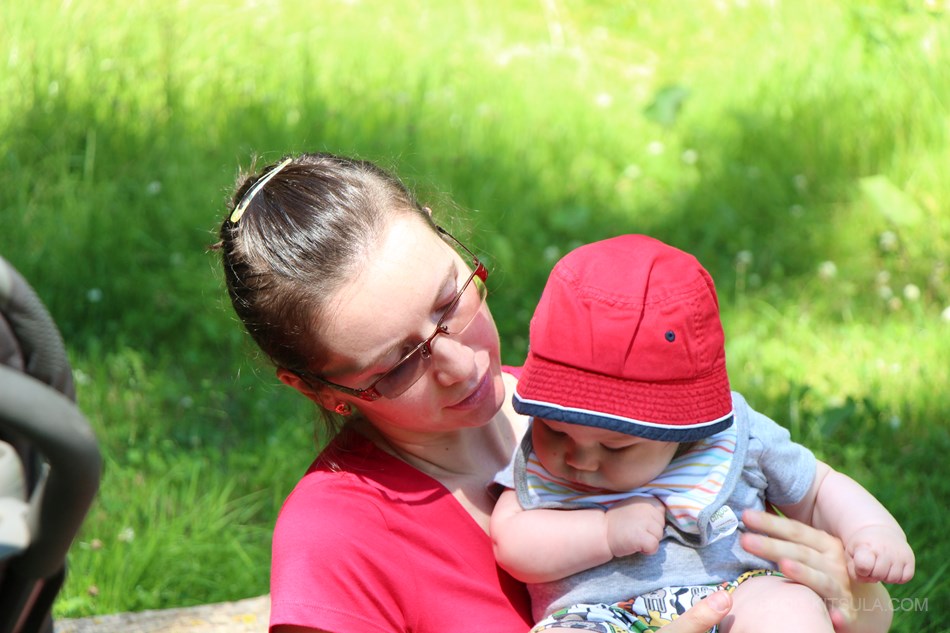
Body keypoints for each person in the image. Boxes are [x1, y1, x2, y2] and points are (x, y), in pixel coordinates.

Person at [215, 152, 895, 633]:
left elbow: (864, 609)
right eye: (397, 366)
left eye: (451, 300)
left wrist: (854, 598)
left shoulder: (620, 401)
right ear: (318, 389)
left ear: (441, 230)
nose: (459, 362)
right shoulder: (337, 541)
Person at [490, 234, 914, 632]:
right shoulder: (535, 457)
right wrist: (605, 533)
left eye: (615, 446)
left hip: (736, 594)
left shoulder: (736, 435)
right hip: (597, 615)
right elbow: (511, 543)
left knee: (788, 608)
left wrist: (869, 530)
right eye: (556, 432)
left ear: (682, 427)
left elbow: (818, 490)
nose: (579, 458)